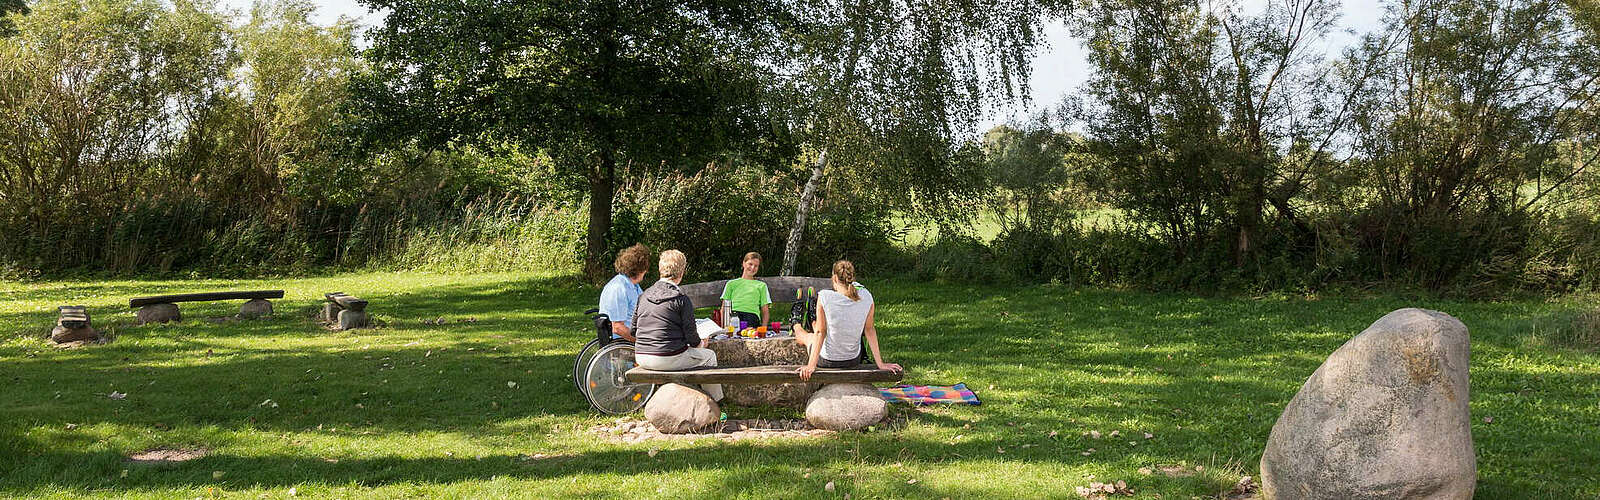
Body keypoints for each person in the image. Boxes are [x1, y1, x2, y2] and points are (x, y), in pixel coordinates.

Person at [631, 249, 723, 401]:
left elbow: (633, 331)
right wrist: (701, 343)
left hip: (641, 356)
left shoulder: (644, 295)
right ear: (681, 272)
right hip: (666, 357)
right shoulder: (681, 299)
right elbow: (692, 338)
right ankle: (715, 402)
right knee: (709, 356)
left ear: (661, 270)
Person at [793, 260, 902, 381]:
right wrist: (880, 364)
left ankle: (796, 321)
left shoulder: (824, 296)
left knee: (805, 336)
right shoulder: (867, 296)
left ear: (834, 278)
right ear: (852, 278)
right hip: (853, 359)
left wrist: (811, 365)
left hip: (827, 360)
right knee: (817, 326)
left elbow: (820, 332)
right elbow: (869, 330)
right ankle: (812, 319)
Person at [597, 244, 651, 342]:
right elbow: (617, 327)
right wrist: (643, 342)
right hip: (623, 342)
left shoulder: (633, 285)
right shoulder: (619, 288)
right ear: (640, 270)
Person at [720, 251, 772, 328]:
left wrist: (763, 329)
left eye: (756, 266)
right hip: (734, 316)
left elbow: (765, 311)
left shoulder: (761, 285)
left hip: (751, 317)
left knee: (748, 331)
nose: (753, 268)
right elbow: (724, 308)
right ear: (744, 264)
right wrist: (723, 328)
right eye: (750, 264)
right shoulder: (731, 284)